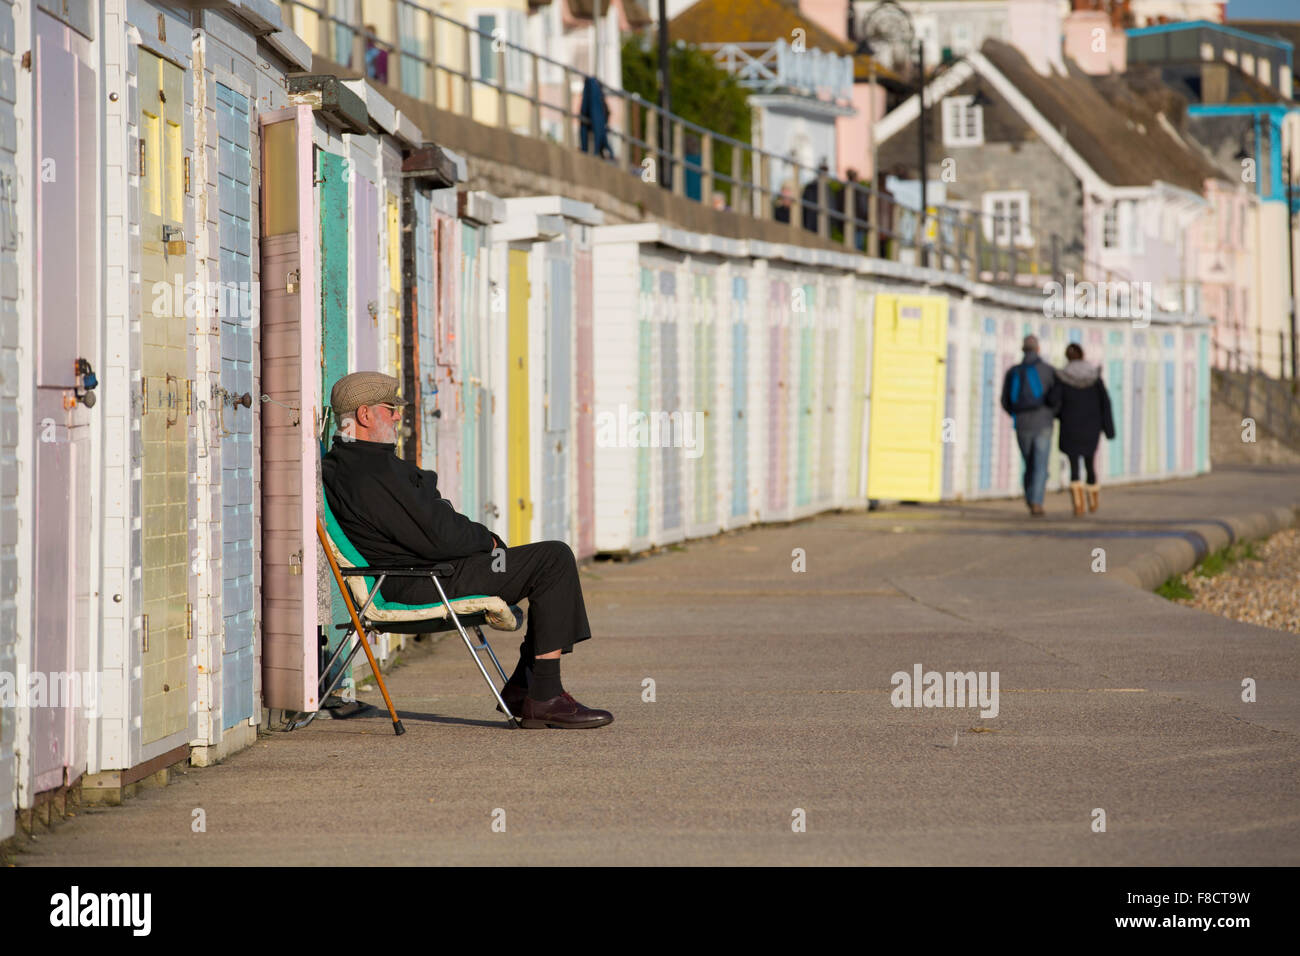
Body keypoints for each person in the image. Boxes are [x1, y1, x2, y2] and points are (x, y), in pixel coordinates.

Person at [321, 371, 613, 729]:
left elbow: (431, 527)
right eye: (390, 408)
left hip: (430, 571)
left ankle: (527, 688)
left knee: (541, 563)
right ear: (365, 415)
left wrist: (481, 543)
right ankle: (544, 695)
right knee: (552, 559)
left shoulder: (359, 463)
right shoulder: (368, 471)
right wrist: (489, 541)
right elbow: (437, 535)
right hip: (419, 582)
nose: (399, 415)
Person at [1000, 335, 1060, 516]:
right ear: (1038, 349)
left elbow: (1005, 400)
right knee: (1040, 465)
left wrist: (1016, 414)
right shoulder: (1049, 371)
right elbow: (1057, 398)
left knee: (1029, 464)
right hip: (1044, 423)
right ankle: (1036, 501)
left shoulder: (1014, 372)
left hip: (1022, 424)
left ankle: (1030, 497)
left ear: (1022, 350)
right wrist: (1052, 414)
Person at [1053, 343, 1115, 516]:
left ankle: (1078, 505)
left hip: (1070, 427)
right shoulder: (1094, 377)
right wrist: (1109, 429)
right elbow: (1105, 404)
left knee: (1074, 466)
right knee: (1090, 463)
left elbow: (1055, 403)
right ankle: (1093, 501)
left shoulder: (1063, 378)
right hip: (1091, 427)